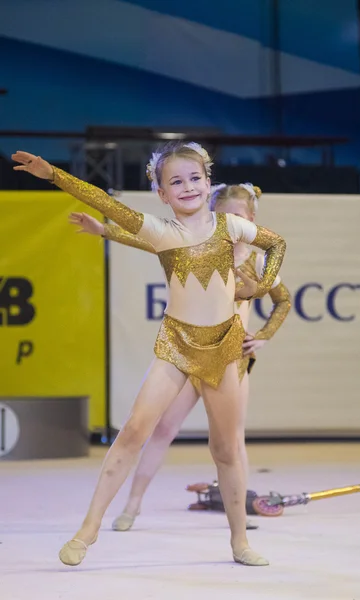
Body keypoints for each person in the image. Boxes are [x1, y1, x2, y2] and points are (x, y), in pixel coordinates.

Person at [12, 141, 286, 567]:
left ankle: (239, 541)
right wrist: (54, 176)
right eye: (176, 181)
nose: (188, 186)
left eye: (195, 178)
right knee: (135, 431)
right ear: (161, 193)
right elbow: (101, 200)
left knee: (226, 449)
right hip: (175, 346)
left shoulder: (231, 226)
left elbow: (278, 245)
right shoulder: (161, 232)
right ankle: (89, 529)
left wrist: (261, 286)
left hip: (225, 349)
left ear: (208, 181)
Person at [69, 182, 291, 532]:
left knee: (232, 442)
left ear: (250, 219)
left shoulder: (259, 261)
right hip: (188, 353)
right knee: (162, 428)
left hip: (232, 360)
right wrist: (104, 231)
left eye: (237, 216)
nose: (229, 221)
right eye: (222, 215)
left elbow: (284, 300)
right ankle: (132, 504)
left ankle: (239, 513)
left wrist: (262, 336)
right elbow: (148, 240)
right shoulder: (194, 243)